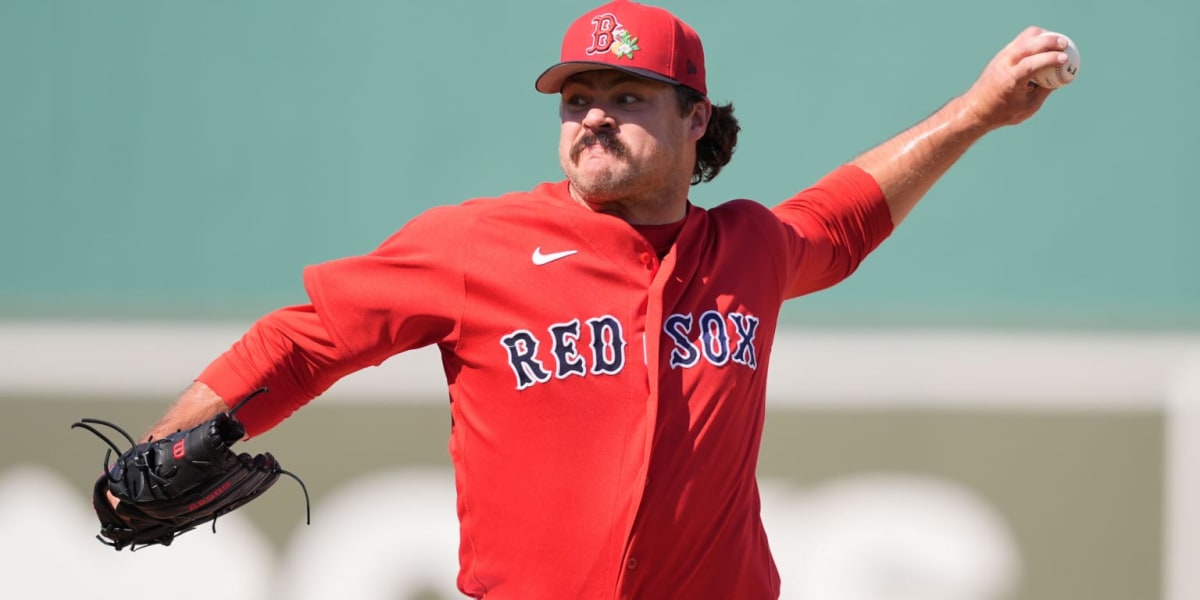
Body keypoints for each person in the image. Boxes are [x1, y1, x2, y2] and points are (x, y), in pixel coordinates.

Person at [128, 1, 1070, 598]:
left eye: (628, 95)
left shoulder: (746, 248)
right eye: (578, 96)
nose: (593, 117)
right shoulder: (476, 245)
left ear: (696, 120)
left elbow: (850, 213)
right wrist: (164, 446)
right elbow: (306, 342)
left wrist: (980, 110)